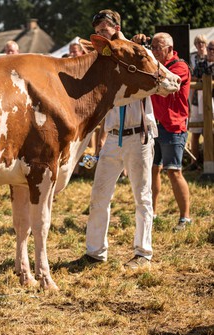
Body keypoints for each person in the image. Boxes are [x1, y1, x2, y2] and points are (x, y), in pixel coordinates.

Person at [84, 9, 156, 269]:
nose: (103, 32)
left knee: (142, 196)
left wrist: (141, 45)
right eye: (99, 29)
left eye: (107, 28)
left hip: (139, 133)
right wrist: (101, 138)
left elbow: (157, 74)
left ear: (117, 28)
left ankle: (143, 252)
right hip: (114, 136)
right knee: (99, 195)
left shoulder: (138, 50)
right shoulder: (100, 59)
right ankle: (95, 252)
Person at [134, 32, 192, 231]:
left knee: (174, 172)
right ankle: (153, 213)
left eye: (158, 48)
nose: (155, 51)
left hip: (173, 126)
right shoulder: (158, 64)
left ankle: (185, 218)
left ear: (169, 49)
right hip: (155, 126)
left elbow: (159, 82)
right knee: (153, 170)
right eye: (154, 47)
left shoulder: (180, 67)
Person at [188, 35, 211, 170]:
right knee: (195, 131)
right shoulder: (193, 59)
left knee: (210, 131)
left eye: (202, 42)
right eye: (198, 42)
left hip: (211, 101)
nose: (200, 45)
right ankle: (194, 163)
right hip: (197, 100)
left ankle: (209, 161)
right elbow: (193, 78)